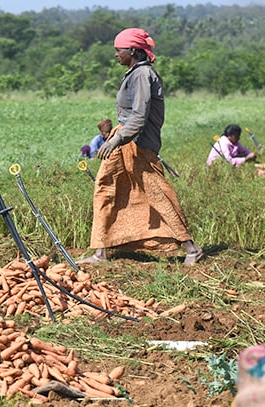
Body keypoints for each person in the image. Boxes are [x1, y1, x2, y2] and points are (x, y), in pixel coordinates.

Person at [80, 28, 204, 266]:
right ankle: (100, 252)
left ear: (133, 51)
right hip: (126, 143)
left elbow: (139, 116)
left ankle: (191, 247)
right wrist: (112, 135)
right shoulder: (134, 73)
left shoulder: (142, 75)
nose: (116, 54)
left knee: (157, 194)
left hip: (138, 144)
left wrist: (117, 139)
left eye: (119, 50)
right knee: (107, 190)